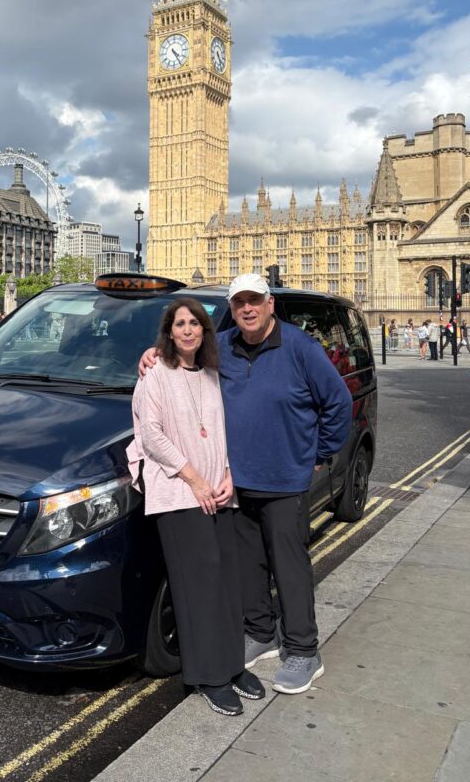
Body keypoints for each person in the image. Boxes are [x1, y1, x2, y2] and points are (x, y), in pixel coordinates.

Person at [140, 274, 352, 695]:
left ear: (270, 304)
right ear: (232, 309)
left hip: (285, 480)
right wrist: (150, 355)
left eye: (255, 301)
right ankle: (260, 632)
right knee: (247, 566)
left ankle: (304, 650)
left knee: (289, 568)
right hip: (234, 482)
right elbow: (184, 353)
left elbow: (338, 403)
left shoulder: (300, 348)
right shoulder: (225, 345)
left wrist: (315, 456)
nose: (248, 309)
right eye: (240, 303)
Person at [128, 298, 264, 716]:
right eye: (179, 324)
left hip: (217, 489)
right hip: (179, 491)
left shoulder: (210, 373)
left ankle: (231, 665)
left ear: (205, 331)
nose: (187, 330)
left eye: (195, 324)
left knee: (227, 579)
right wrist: (194, 478)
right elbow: (150, 435)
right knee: (197, 585)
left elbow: (224, 431)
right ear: (168, 333)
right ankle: (207, 676)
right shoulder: (156, 375)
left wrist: (225, 476)